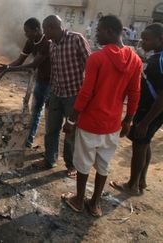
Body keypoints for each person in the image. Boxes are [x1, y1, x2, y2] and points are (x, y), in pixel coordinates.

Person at [61, 15, 142, 217]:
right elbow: (134, 93)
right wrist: (128, 120)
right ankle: (95, 204)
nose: (96, 35)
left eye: (98, 31)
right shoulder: (135, 60)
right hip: (113, 124)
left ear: (109, 31)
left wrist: (71, 119)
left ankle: (79, 200)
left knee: (83, 163)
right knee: (103, 165)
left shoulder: (97, 58)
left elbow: (86, 93)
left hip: (90, 123)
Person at [110, 23, 163, 196]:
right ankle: (142, 180)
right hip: (150, 109)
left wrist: (145, 122)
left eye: (147, 39)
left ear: (160, 40)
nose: (142, 43)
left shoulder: (159, 61)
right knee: (145, 143)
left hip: (151, 110)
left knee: (139, 144)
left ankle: (132, 184)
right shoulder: (156, 57)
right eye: (142, 38)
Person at [34, 15, 91, 178]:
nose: (44, 33)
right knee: (51, 129)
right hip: (56, 94)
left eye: (45, 29)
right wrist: (50, 95)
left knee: (71, 132)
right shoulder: (52, 45)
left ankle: (71, 164)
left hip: (74, 95)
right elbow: (55, 72)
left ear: (52, 27)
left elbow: (90, 65)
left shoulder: (76, 39)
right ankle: (49, 159)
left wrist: (86, 94)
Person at [0, 17, 51, 148]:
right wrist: (5, 69)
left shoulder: (47, 42)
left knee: (50, 118)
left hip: (53, 83)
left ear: (36, 30)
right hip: (40, 80)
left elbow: (33, 65)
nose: (26, 34)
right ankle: (28, 141)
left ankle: (48, 149)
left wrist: (10, 69)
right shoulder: (30, 42)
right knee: (35, 112)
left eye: (27, 31)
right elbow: (20, 60)